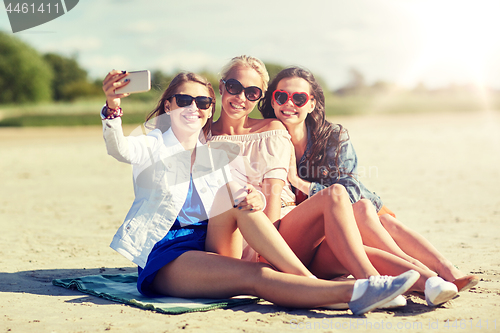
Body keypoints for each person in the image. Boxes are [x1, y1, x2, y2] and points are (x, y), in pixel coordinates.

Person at [100, 69, 419, 315]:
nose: (192, 108)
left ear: (210, 110)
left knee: (237, 198)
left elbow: (234, 192)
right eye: (184, 100)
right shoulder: (151, 144)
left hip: (209, 241)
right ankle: (349, 293)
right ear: (169, 105)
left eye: (202, 102)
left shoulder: (213, 152)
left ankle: (313, 285)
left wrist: (255, 198)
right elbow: (119, 149)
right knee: (258, 275)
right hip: (170, 252)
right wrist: (113, 106)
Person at [210, 56, 461, 307]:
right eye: (233, 87)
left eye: (251, 92)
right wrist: (267, 252)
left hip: (289, 228)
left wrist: (296, 189)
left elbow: (277, 194)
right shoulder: (204, 135)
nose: (241, 97)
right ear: (222, 87)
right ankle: (375, 282)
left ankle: (430, 281)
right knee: (345, 212)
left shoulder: (274, 129)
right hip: (255, 236)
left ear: (259, 96)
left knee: (347, 227)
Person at [258, 66, 479, 295]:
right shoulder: (265, 139)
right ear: (273, 100)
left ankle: (445, 271)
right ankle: (426, 275)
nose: (289, 103)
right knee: (368, 216)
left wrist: (301, 183)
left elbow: (350, 190)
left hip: (354, 205)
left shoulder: (331, 136)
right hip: (322, 223)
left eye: (299, 98)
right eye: (281, 96)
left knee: (374, 215)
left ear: (312, 104)